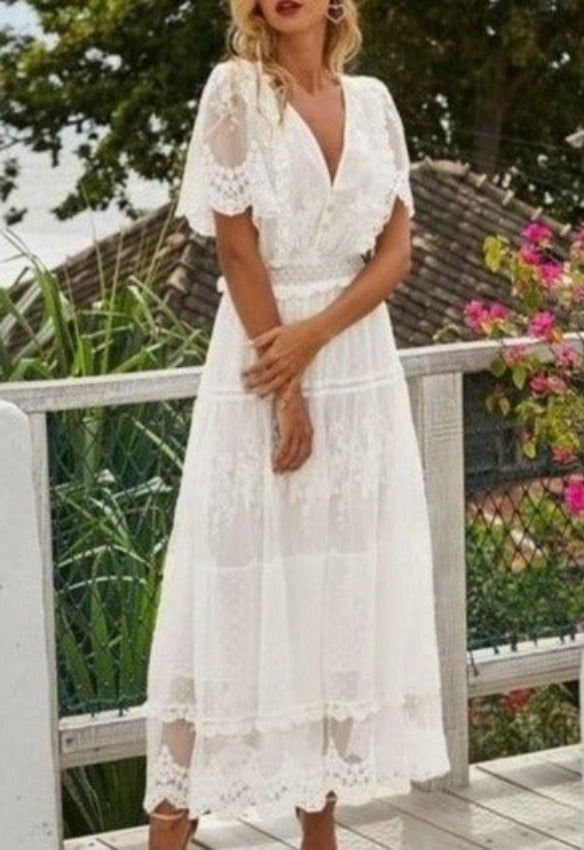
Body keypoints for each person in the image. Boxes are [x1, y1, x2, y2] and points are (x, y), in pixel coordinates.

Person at [142, 1, 451, 848]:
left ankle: (321, 834)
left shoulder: (375, 102)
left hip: (356, 371)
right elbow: (236, 250)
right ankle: (170, 829)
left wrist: (316, 337)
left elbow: (395, 252)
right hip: (260, 357)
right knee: (229, 590)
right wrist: (287, 383)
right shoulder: (234, 91)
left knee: (337, 594)